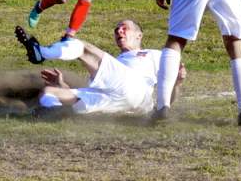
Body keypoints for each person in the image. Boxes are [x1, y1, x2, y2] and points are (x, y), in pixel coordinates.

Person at [14, 19, 186, 117]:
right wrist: (62, 86)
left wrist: (177, 84)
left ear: (139, 35)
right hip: (118, 104)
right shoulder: (113, 66)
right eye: (117, 30)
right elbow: (91, 92)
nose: (119, 31)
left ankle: (42, 53)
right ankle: (53, 113)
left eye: (124, 28)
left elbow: (166, 99)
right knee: (49, 92)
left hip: (137, 93)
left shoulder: (153, 55)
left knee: (80, 46)